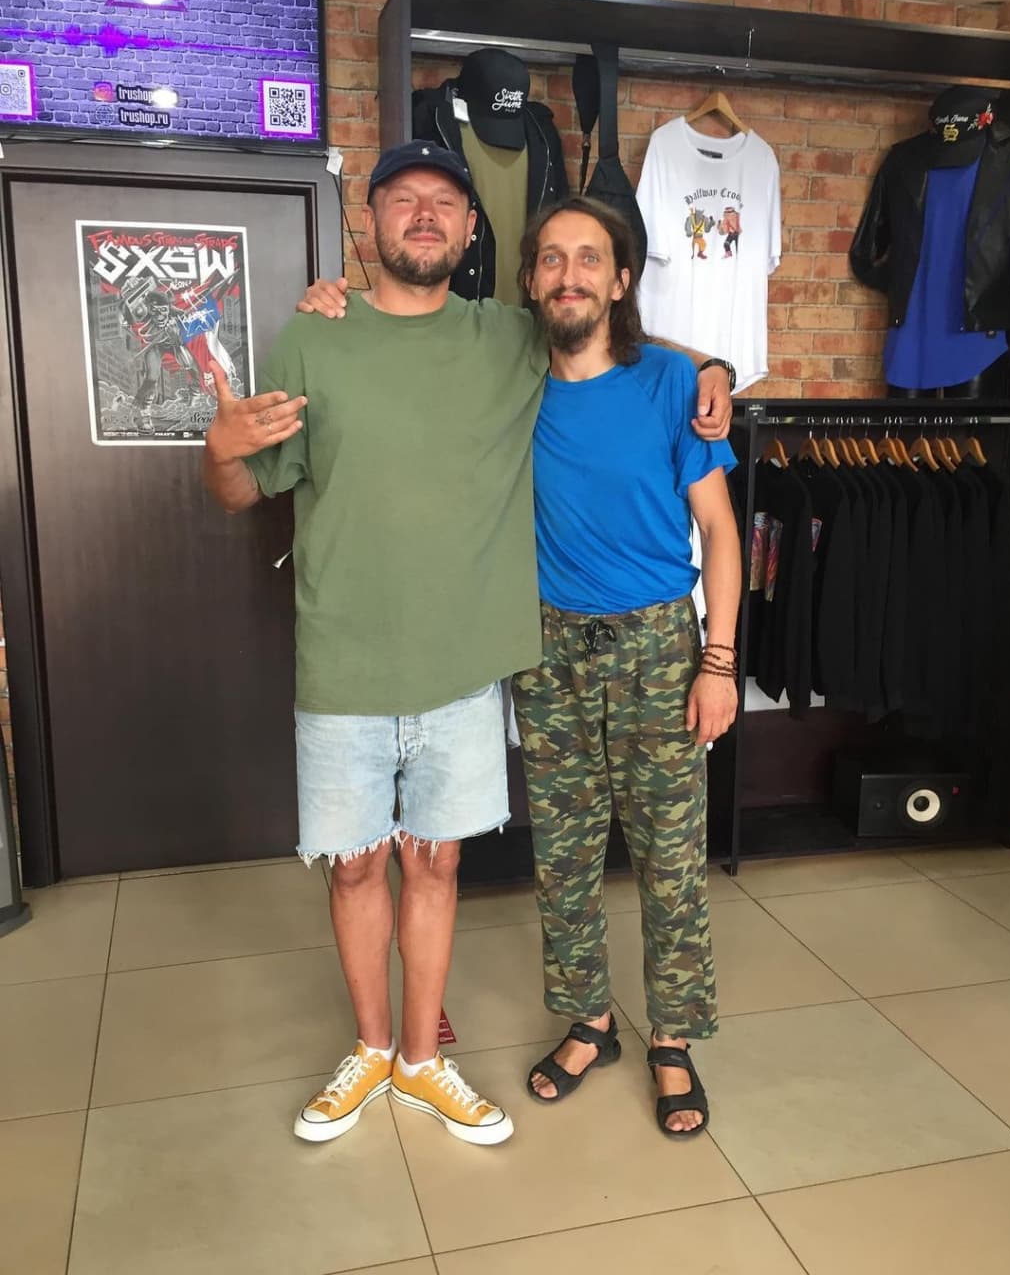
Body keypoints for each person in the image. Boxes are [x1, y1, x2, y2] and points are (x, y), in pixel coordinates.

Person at [205, 140, 732, 1151]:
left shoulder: (538, 345)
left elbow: (609, 336)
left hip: (540, 659)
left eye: (443, 201)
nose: (423, 214)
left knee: (520, 862)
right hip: (422, 654)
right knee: (439, 865)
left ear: (472, 228)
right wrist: (221, 447)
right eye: (401, 198)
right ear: (370, 221)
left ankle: (515, 1050)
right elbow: (244, 485)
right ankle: (435, 1041)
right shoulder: (331, 337)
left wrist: (713, 367)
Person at [512, 196, 741, 1138]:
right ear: (531, 279)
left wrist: (718, 662)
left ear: (621, 280)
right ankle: (590, 1023)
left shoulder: (671, 384)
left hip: (659, 647)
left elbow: (720, 532)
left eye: (589, 258)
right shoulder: (508, 375)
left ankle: (673, 1039)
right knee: (563, 856)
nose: (569, 273)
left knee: (670, 858)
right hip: (548, 649)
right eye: (551, 258)